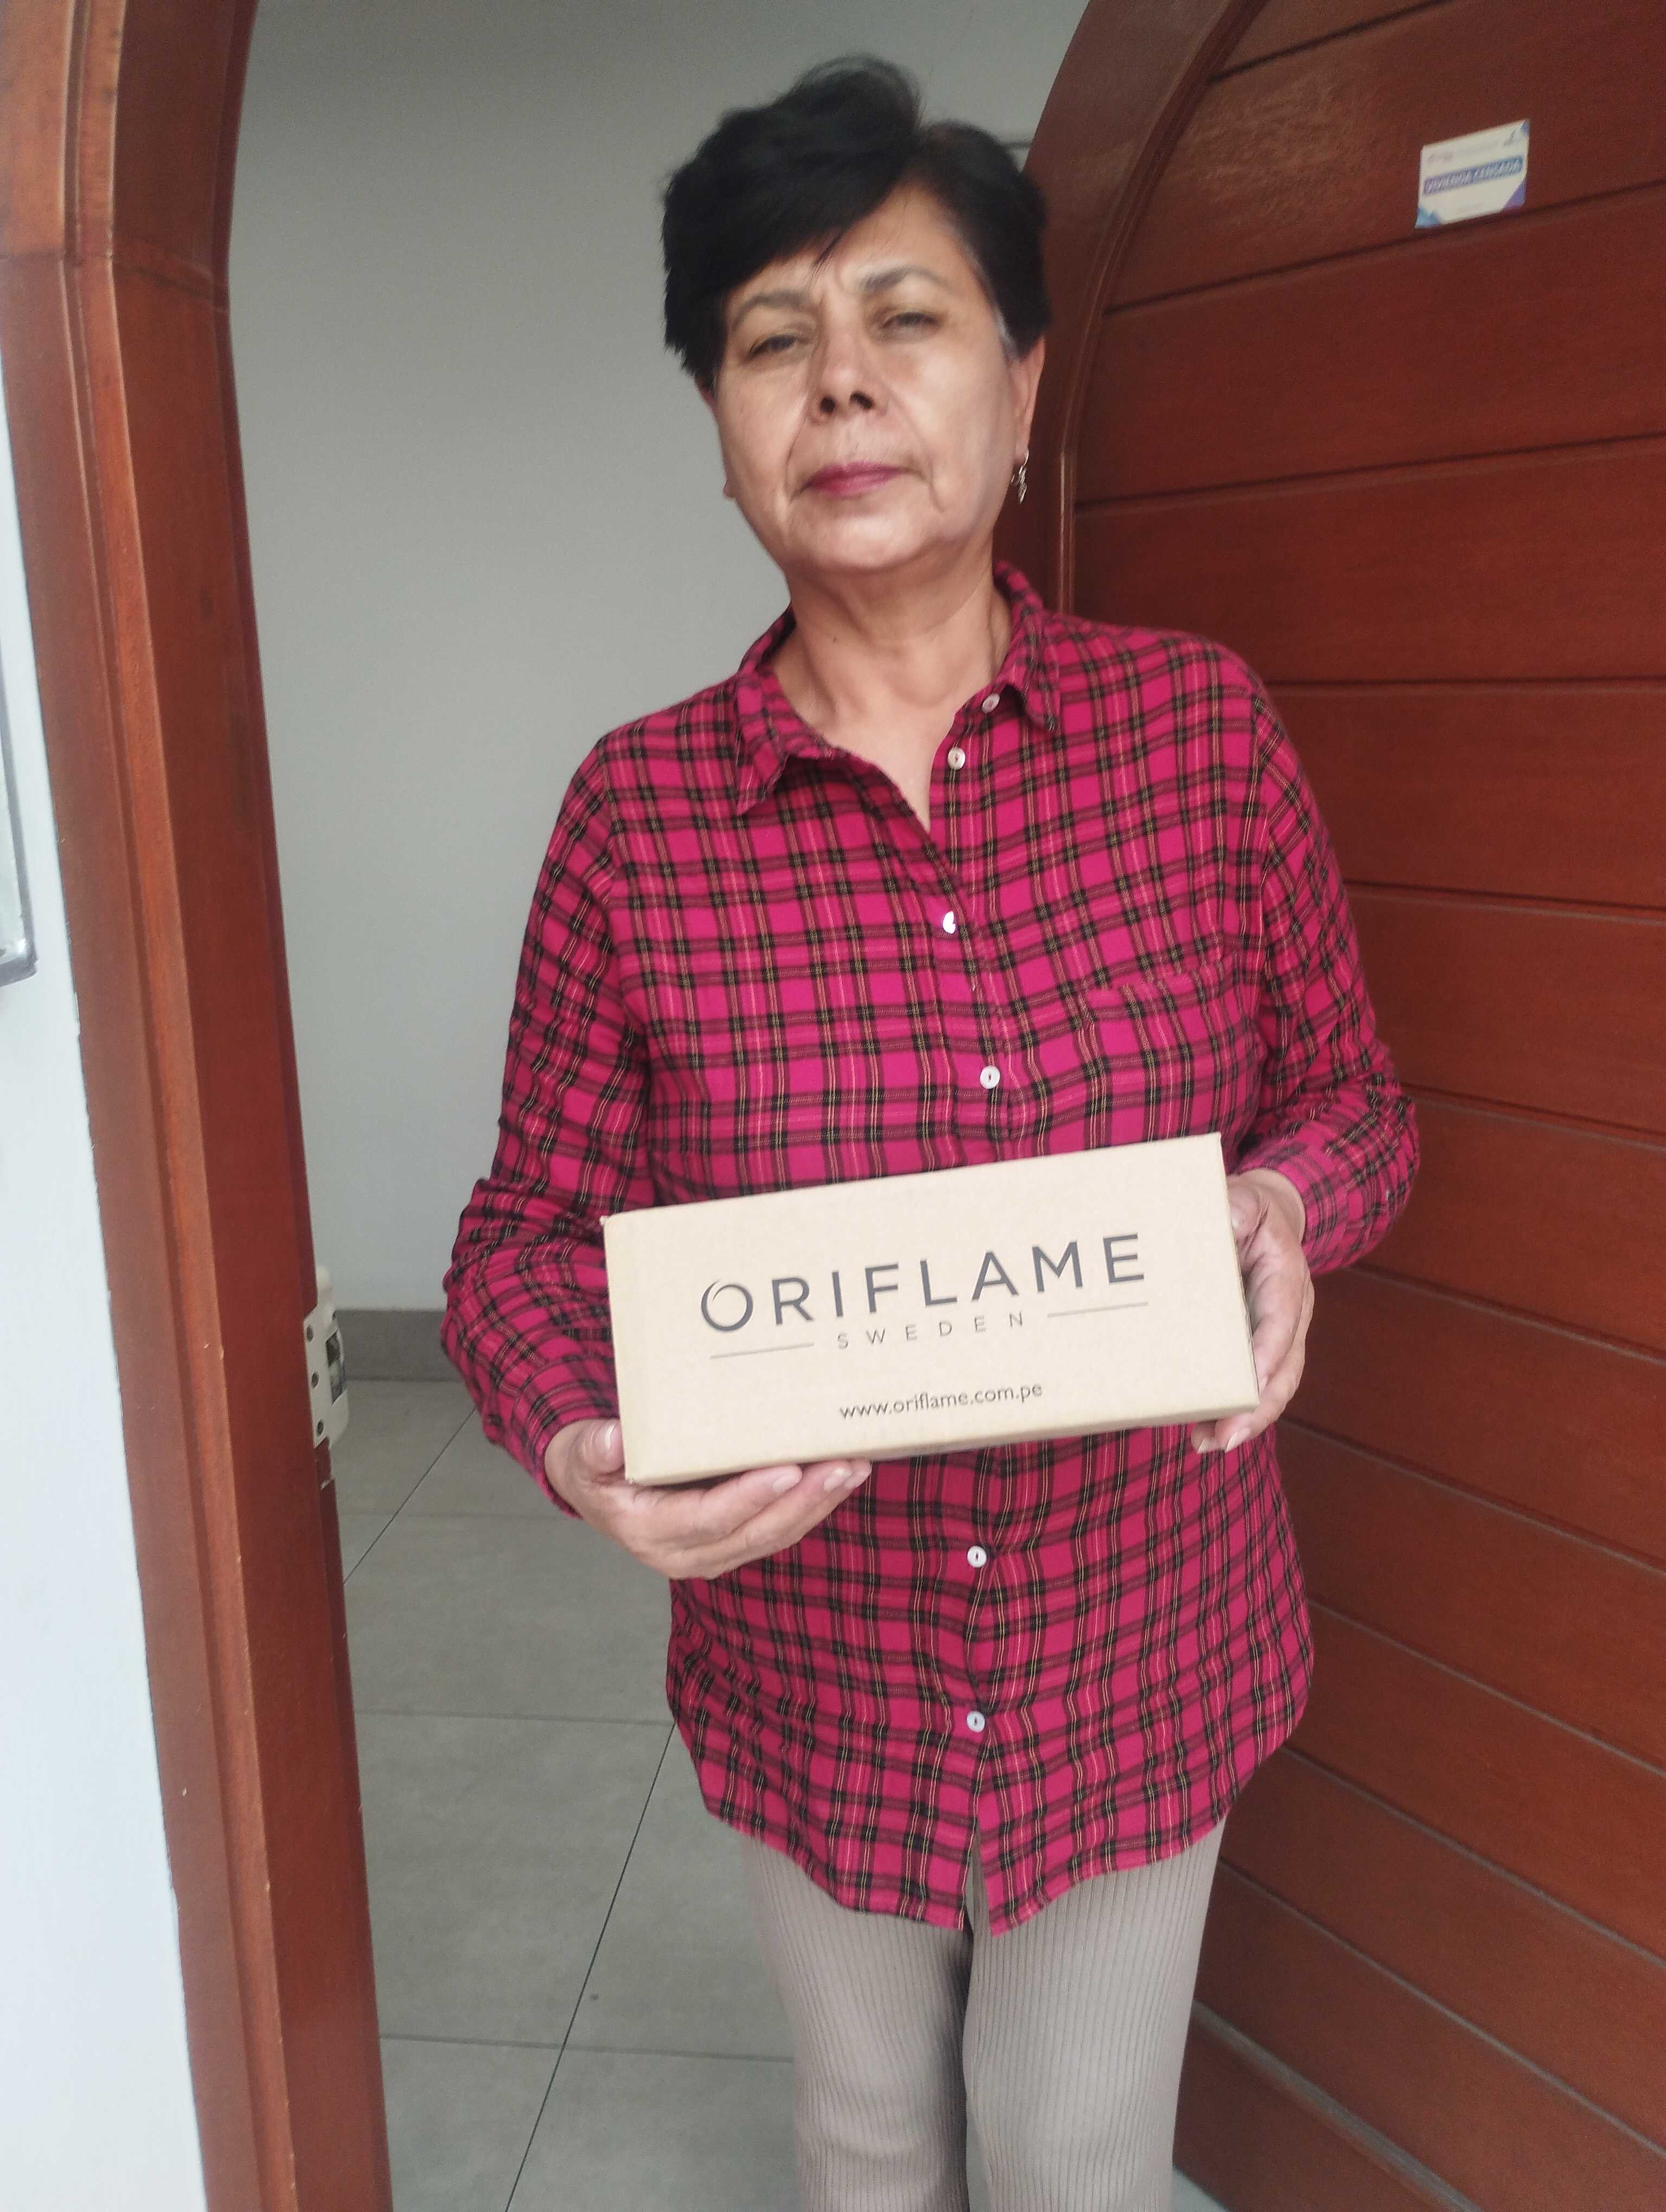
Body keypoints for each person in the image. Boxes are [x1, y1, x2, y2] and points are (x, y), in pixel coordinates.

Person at [442, 57, 1417, 2212]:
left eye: (907, 318)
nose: (840, 384)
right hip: (824, 1661)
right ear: (723, 429)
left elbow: (1356, 1102)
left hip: (1144, 1636)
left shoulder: (1200, 738)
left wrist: (1286, 1208)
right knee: (870, 2139)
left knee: (1081, 2158)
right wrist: (585, 1441)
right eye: (769, 340)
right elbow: (522, 1238)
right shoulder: (637, 820)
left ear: (1024, 384)